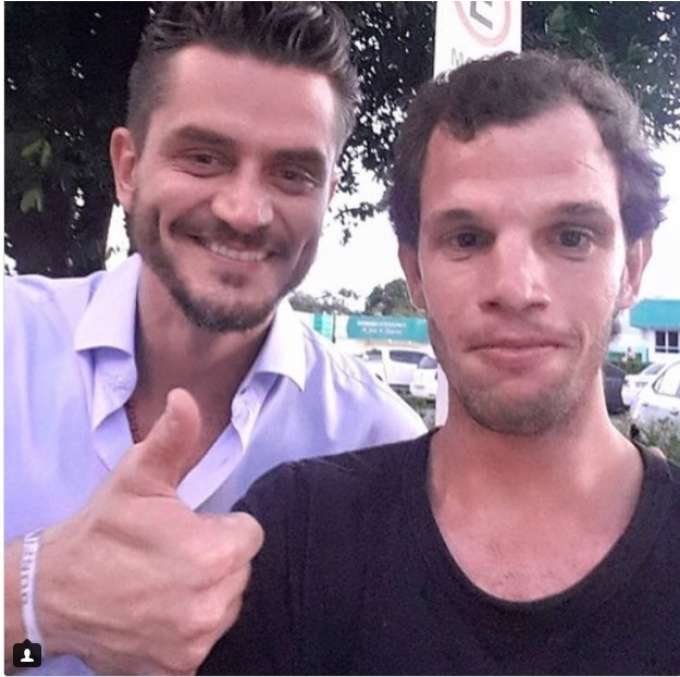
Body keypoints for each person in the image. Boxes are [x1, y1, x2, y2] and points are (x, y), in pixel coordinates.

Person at [200, 51, 680, 674]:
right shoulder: (300, 535)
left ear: (633, 268)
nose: (515, 288)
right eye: (467, 239)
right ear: (415, 273)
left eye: (571, 237)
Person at [3, 3, 426, 675]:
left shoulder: (379, 447)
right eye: (204, 158)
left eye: (293, 173)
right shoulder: (10, 344)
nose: (244, 211)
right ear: (128, 168)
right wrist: (31, 611)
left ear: (328, 193)